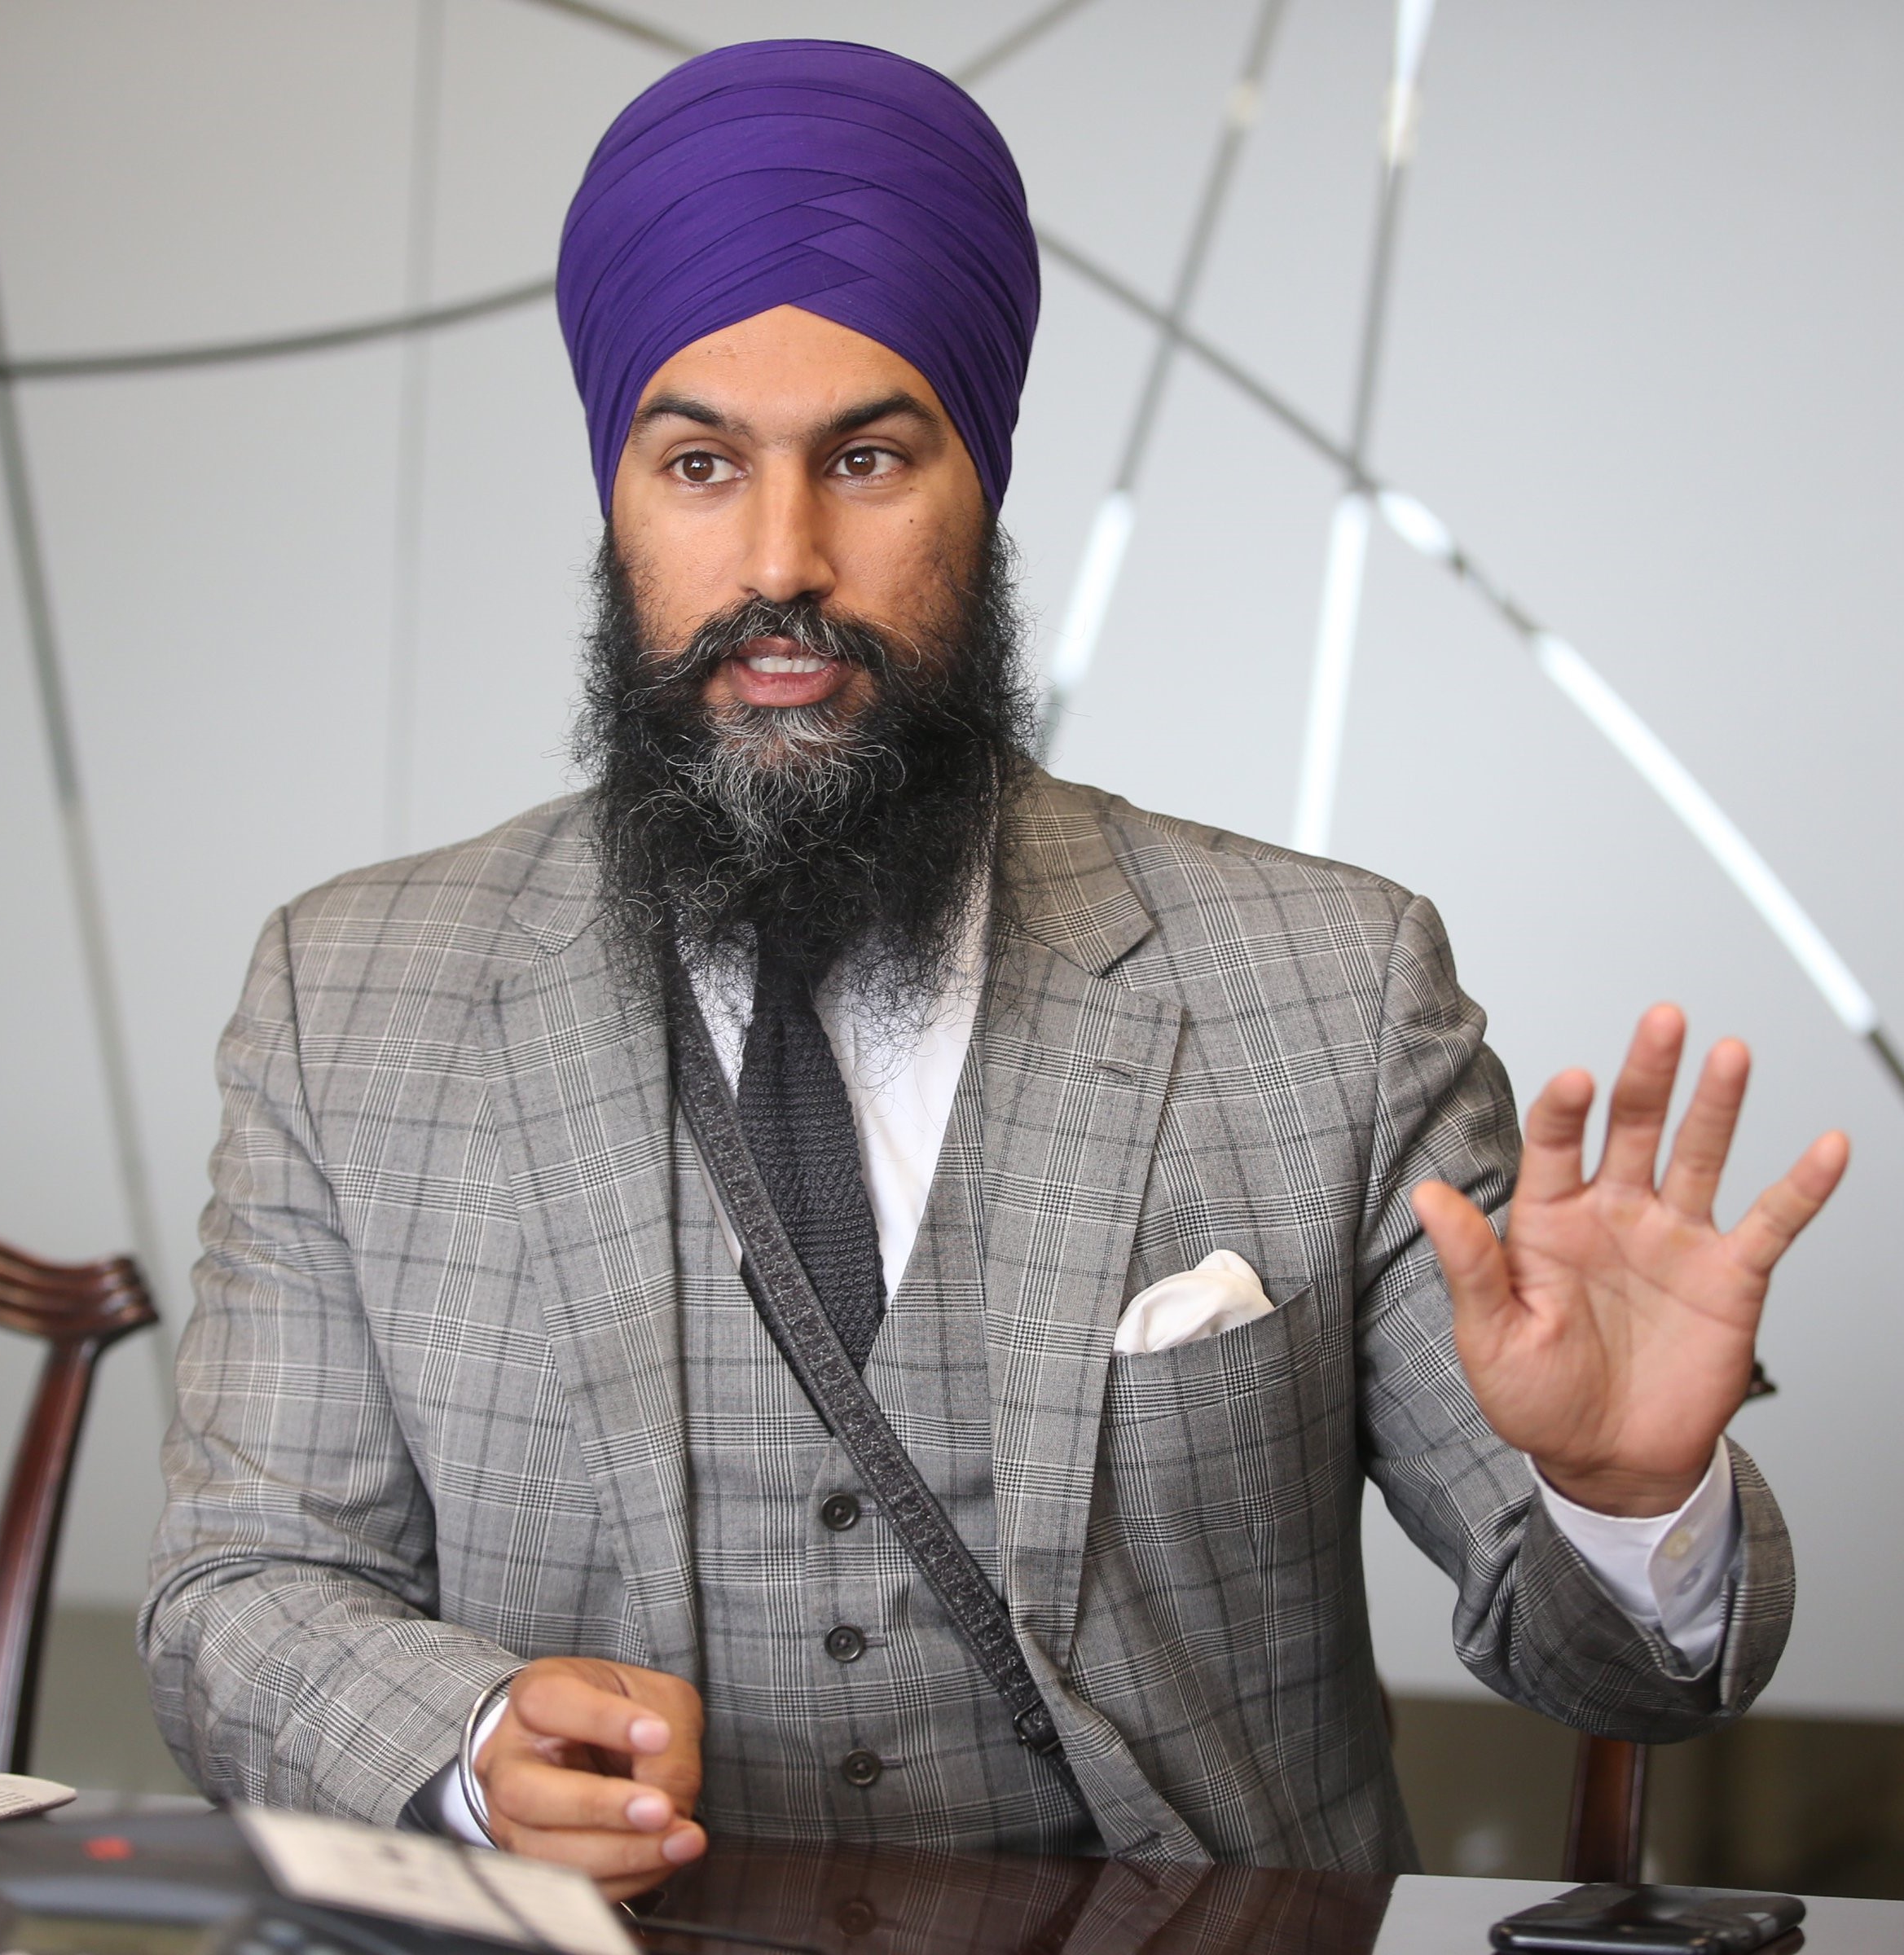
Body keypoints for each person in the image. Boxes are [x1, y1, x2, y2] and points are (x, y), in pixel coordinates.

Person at [142, 38, 1847, 1899]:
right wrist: (472, 1747)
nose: (782, 563)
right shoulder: (347, 999)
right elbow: (245, 1588)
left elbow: (1615, 1673)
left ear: (985, 483)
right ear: (614, 500)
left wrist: (1623, 1495)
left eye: (867, 458)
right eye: (700, 463)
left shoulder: (1330, 989)